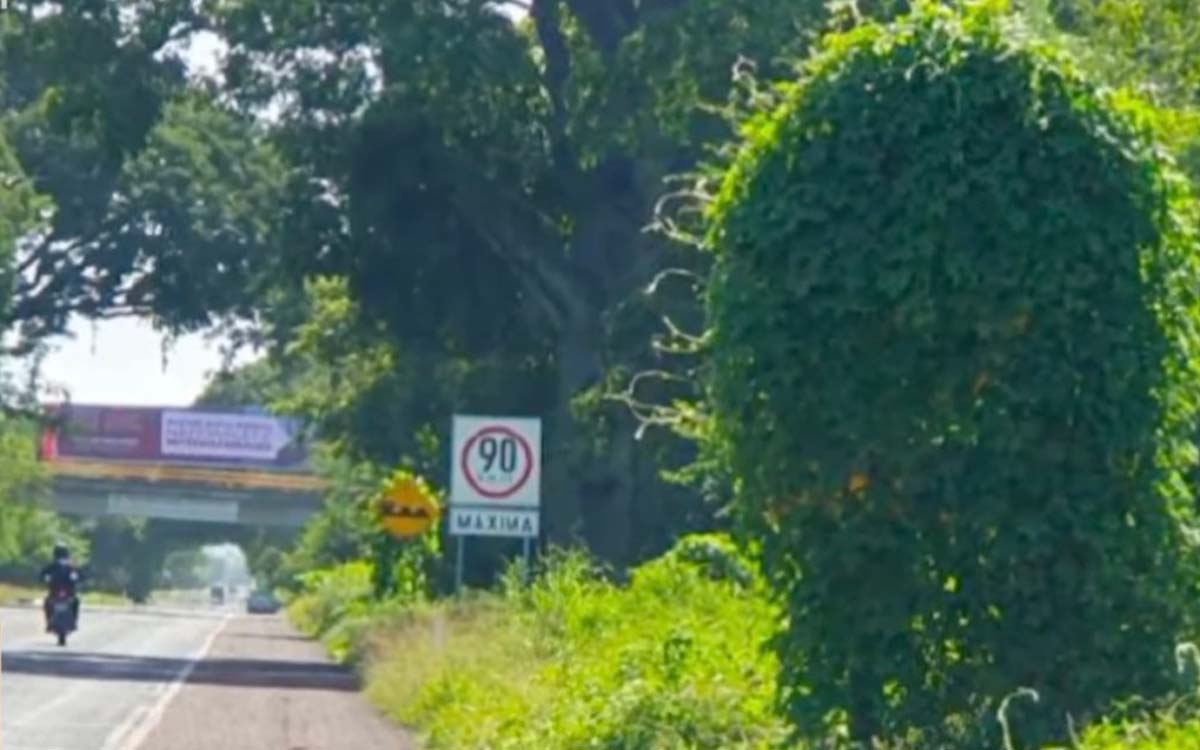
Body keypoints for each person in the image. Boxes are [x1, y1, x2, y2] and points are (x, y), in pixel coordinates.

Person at [40, 543, 82, 631]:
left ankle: (71, 621)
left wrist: (77, 578)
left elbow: (80, 575)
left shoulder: (67, 566)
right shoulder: (57, 565)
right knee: (48, 602)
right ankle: (51, 622)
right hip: (57, 591)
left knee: (75, 601)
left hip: (65, 591)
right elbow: (43, 574)